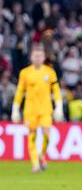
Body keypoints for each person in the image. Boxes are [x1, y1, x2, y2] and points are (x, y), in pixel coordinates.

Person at [11, 43, 64, 173]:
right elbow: (19, 91)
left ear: (44, 57)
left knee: (47, 136)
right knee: (32, 136)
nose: (38, 58)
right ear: (31, 57)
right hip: (30, 110)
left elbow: (56, 90)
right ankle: (35, 163)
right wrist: (15, 109)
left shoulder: (50, 72)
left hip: (46, 109)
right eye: (35, 55)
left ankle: (41, 155)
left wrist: (59, 107)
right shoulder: (25, 73)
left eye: (40, 55)